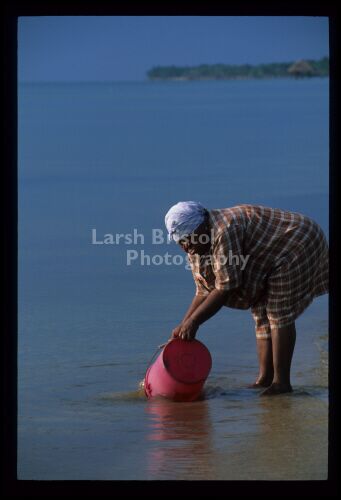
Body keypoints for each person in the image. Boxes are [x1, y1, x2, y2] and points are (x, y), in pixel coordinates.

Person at [164, 201, 329, 396]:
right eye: (180, 242)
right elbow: (203, 289)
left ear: (201, 227)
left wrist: (194, 323)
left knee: (277, 312)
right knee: (260, 311)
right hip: (267, 254)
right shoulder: (197, 246)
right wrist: (182, 327)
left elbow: (226, 286)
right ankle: (264, 379)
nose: (185, 247)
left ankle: (281, 383)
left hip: (297, 242)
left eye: (188, 239)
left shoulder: (225, 231)